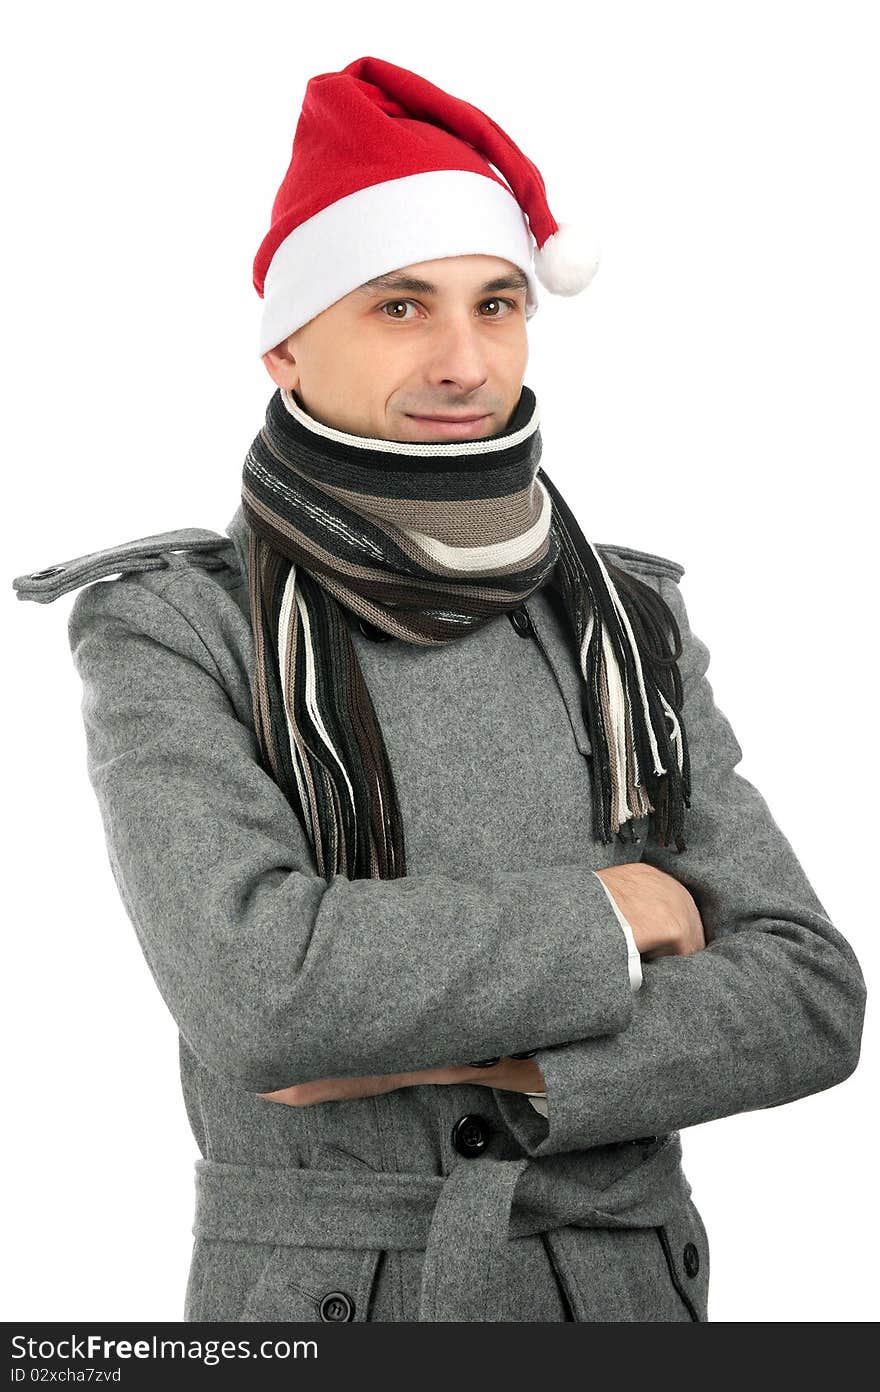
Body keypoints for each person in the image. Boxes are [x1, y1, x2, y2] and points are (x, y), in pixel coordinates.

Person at [11, 55, 866, 1323]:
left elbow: (808, 995)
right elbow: (262, 995)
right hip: (329, 1301)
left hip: (624, 1288)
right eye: (401, 307)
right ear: (289, 346)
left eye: (499, 304)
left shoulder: (624, 622)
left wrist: (465, 1051)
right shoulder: (175, 623)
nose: (466, 363)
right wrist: (616, 914)